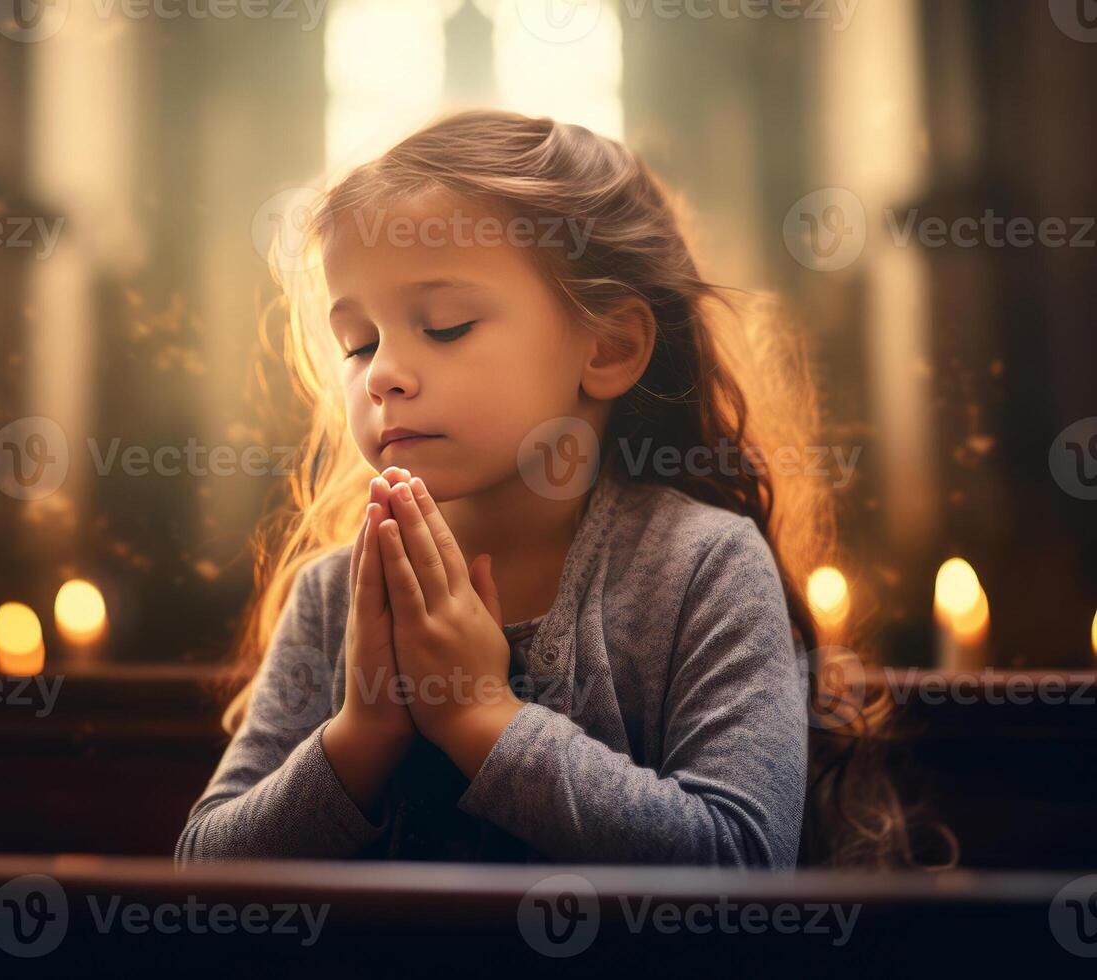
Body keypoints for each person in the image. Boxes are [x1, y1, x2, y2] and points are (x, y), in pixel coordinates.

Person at [176, 109, 941, 868]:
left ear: (609, 346)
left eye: (444, 326)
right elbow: (204, 869)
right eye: (359, 342)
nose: (381, 374)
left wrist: (483, 718)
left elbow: (739, 863)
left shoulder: (702, 568)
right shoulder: (332, 595)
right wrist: (363, 732)